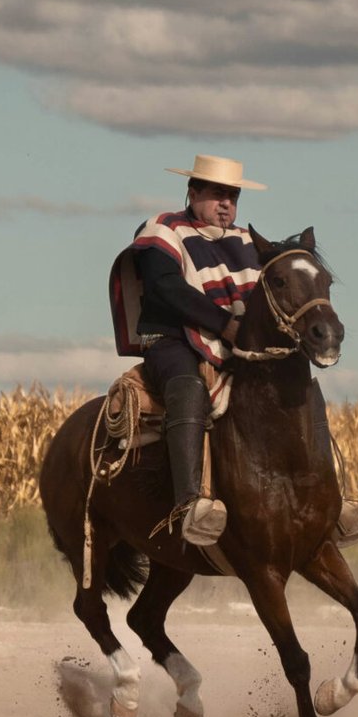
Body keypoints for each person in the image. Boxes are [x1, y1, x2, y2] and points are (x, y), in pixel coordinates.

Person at [108, 154, 264, 546]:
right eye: (216, 193)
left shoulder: (247, 242)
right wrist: (226, 324)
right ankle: (189, 502)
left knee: (292, 387)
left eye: (233, 195)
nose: (226, 203)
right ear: (192, 193)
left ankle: (326, 497)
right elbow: (166, 288)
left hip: (235, 348)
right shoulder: (163, 231)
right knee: (188, 389)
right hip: (171, 340)